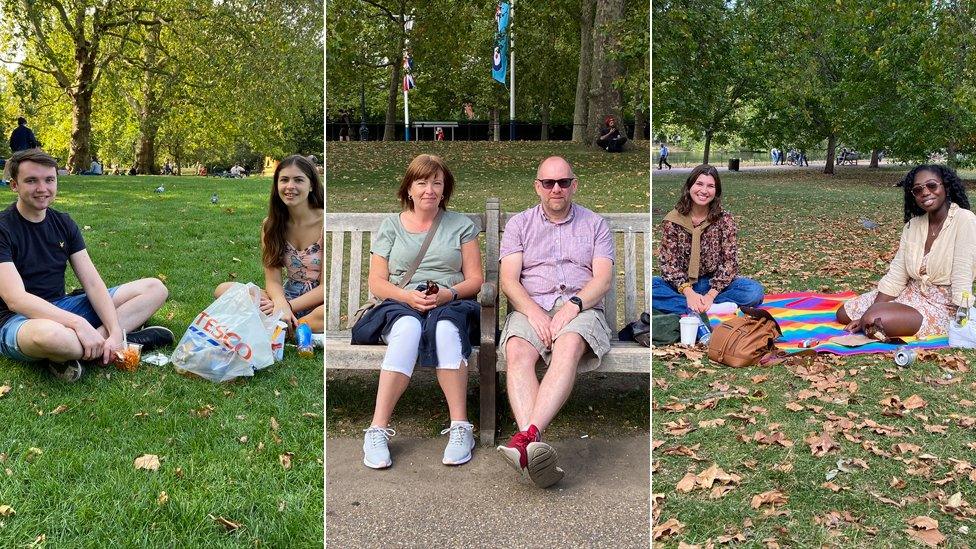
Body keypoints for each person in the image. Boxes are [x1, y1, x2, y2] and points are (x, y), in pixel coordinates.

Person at [351, 154, 483, 470]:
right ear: (408, 188)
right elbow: (377, 282)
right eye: (422, 182)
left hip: (449, 303)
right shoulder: (391, 226)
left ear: (445, 189)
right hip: (399, 303)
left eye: (437, 183)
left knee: (444, 329)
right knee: (409, 328)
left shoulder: (461, 225)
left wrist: (447, 294)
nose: (429, 190)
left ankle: (461, 427)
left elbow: (476, 279)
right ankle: (377, 430)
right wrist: (407, 297)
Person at [0, 149, 173, 382]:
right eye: (31, 180)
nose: (43, 188)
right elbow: (16, 299)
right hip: (17, 320)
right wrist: (78, 323)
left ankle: (108, 342)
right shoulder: (4, 228)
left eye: (49, 180)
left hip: (61, 306)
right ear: (14, 185)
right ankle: (125, 338)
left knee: (155, 288)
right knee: (52, 337)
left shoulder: (63, 223)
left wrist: (111, 331)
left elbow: (92, 283)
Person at [496, 156, 614, 488]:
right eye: (548, 183)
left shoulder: (594, 225)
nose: (556, 189)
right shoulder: (520, 225)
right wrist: (533, 312)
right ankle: (533, 447)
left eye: (563, 182)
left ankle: (525, 440)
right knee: (517, 350)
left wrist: (573, 306)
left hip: (582, 307)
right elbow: (509, 280)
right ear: (538, 187)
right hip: (530, 304)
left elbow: (602, 280)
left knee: (569, 344)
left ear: (574, 185)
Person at [837, 165, 976, 339]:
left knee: (872, 321)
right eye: (918, 190)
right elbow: (897, 274)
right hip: (911, 293)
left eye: (932, 186)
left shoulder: (965, 220)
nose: (925, 192)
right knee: (843, 314)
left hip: (942, 305)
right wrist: (868, 311)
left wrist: (962, 315)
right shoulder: (913, 226)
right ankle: (878, 313)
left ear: (946, 187)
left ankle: (877, 316)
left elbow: (964, 271)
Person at [215, 154, 324, 333]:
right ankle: (289, 327)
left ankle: (286, 326)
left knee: (323, 314)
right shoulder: (271, 225)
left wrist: (287, 306)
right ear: (277, 185)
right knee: (224, 289)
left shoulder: (324, 223)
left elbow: (325, 288)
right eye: (284, 180)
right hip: (284, 297)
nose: (290, 186)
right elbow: (273, 280)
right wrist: (279, 304)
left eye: (298, 180)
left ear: (311, 185)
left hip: (318, 301)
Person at [652, 164, 765, 315]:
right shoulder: (673, 220)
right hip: (682, 286)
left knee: (754, 292)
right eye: (699, 184)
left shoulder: (724, 220)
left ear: (716, 191)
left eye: (710, 186)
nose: (704, 191)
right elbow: (668, 265)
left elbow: (729, 263)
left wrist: (711, 295)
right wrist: (689, 293)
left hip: (713, 284)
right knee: (651, 286)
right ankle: (710, 309)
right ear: (689, 186)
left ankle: (697, 306)